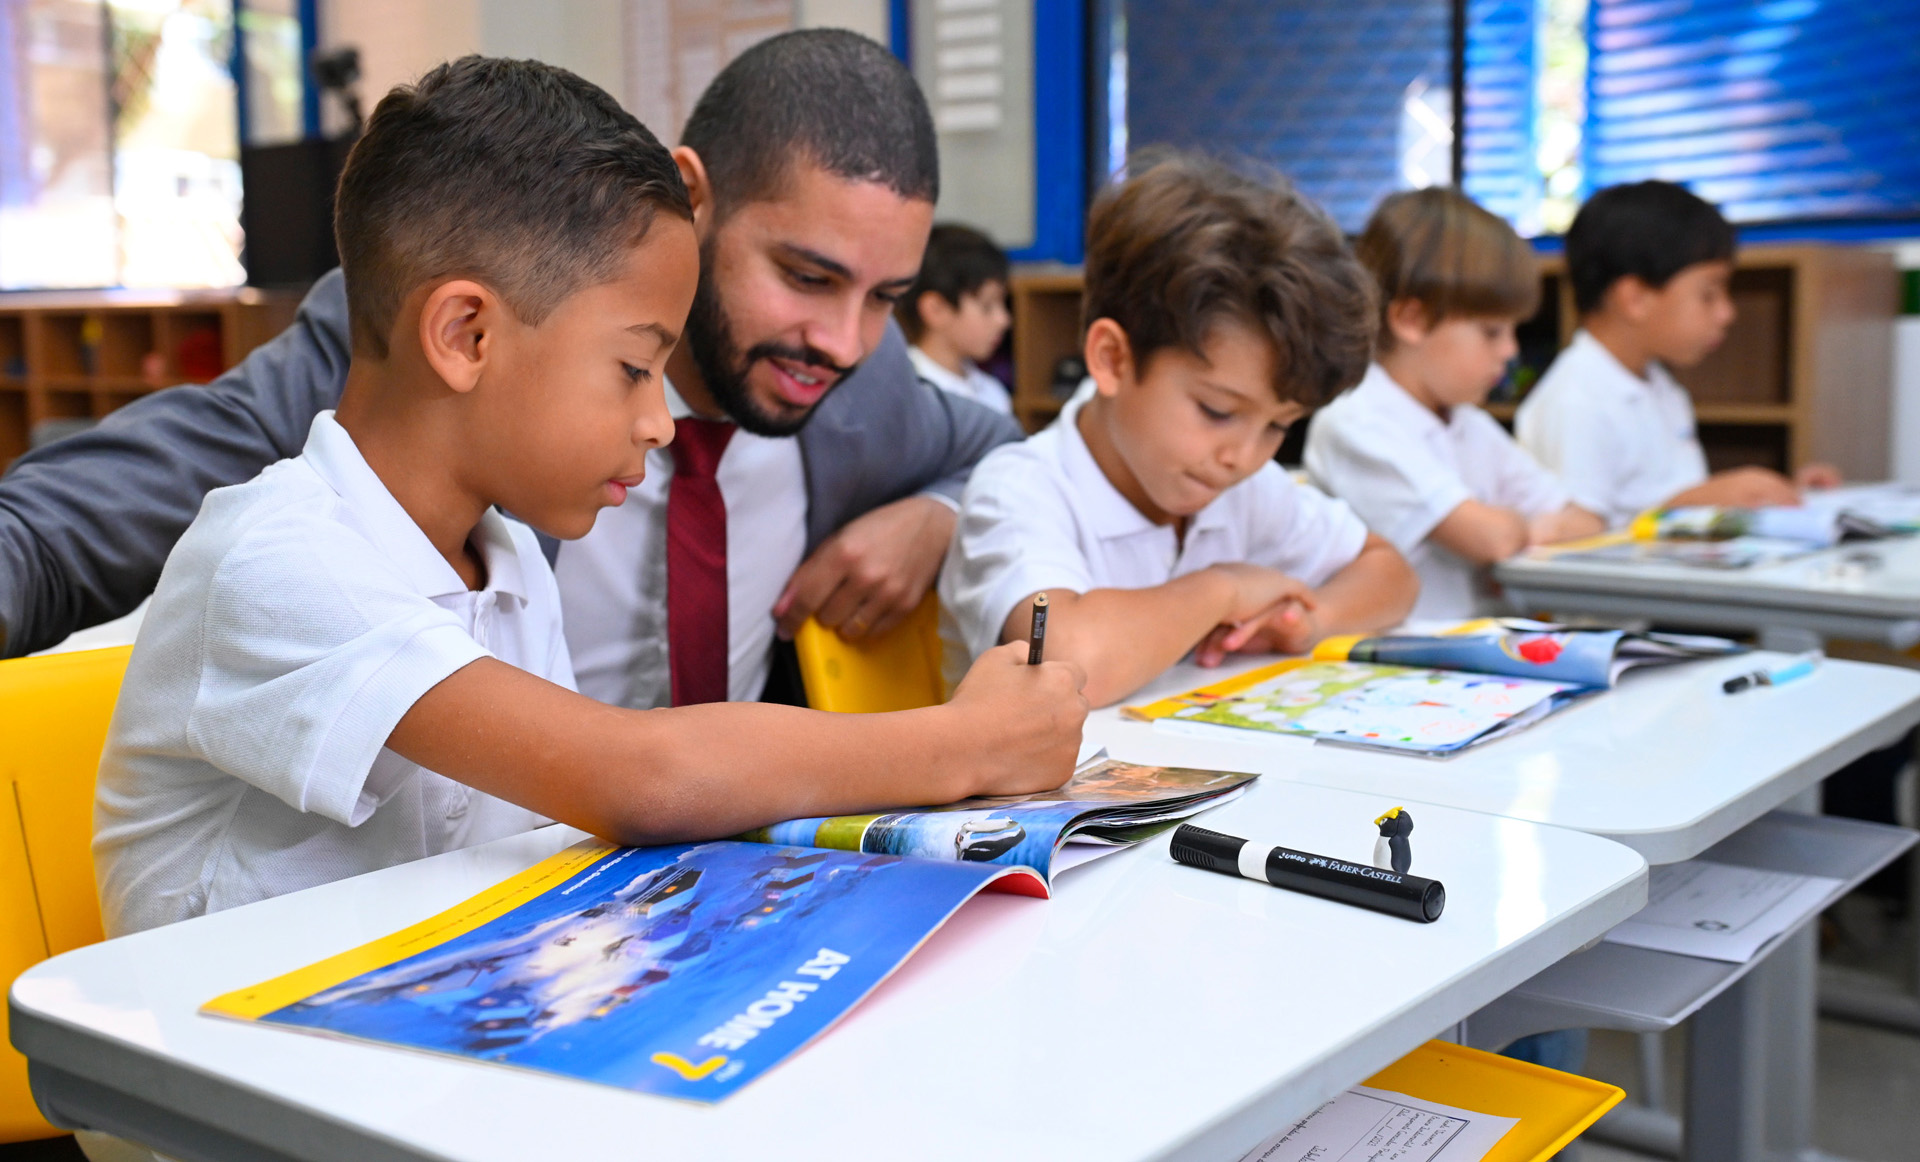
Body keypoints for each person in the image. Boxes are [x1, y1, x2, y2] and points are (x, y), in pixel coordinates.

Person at [93, 57, 1088, 943]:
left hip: (449, 1031)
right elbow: (639, 776)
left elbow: (555, 848)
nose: (662, 426)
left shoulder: (506, 556)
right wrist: (963, 744)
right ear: (466, 337)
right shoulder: (278, 557)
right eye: (631, 369)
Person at [0, 30, 1017, 716]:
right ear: (693, 195)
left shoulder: (860, 389)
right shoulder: (410, 373)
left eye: (886, 297)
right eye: (805, 274)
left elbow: (1000, 453)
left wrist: (935, 512)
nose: (842, 341)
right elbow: (54, 538)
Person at [938, 153, 1418, 708]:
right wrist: (1225, 589)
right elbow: (1070, 661)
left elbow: (1390, 572)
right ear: (1112, 359)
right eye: (1217, 411)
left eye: (1278, 427)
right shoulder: (1021, 489)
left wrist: (1306, 620)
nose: (1244, 456)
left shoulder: (1239, 488)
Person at [1304, 188, 1603, 620]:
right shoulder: (1356, 420)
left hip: (1482, 645)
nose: (1510, 351)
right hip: (1399, 657)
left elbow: (1585, 521)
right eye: (1491, 332)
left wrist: (1522, 527)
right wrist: (1525, 526)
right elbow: (1488, 539)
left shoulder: (1467, 422)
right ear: (1412, 320)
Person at [1515, 180, 1839, 527]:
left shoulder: (1660, 387)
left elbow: (1658, 497)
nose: (1727, 313)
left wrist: (1772, 495)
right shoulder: (1576, 401)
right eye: (1708, 294)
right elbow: (1575, 539)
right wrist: (1699, 501)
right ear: (1635, 299)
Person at [897, 223, 1015, 415]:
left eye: (1003, 304)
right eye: (987, 306)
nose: (1003, 319)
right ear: (935, 309)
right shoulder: (904, 390)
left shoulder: (993, 393)